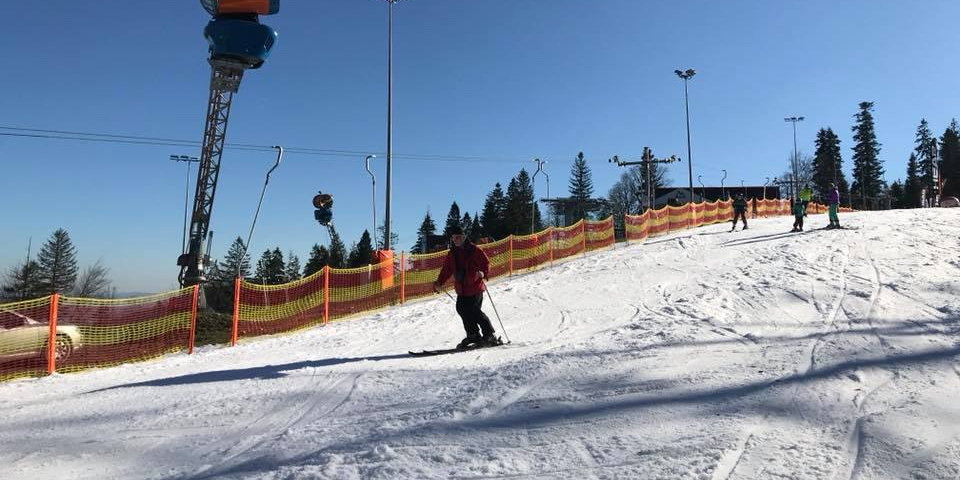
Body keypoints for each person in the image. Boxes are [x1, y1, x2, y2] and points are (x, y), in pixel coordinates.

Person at [433, 226, 499, 349]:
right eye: (453, 238)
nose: (455, 240)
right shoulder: (452, 253)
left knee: (474, 311)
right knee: (462, 309)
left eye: (458, 237)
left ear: (464, 237)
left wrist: (483, 273)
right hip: (461, 289)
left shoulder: (475, 250)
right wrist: (439, 282)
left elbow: (486, 264)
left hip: (475, 287)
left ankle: (489, 335)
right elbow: (446, 270)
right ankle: (473, 335)